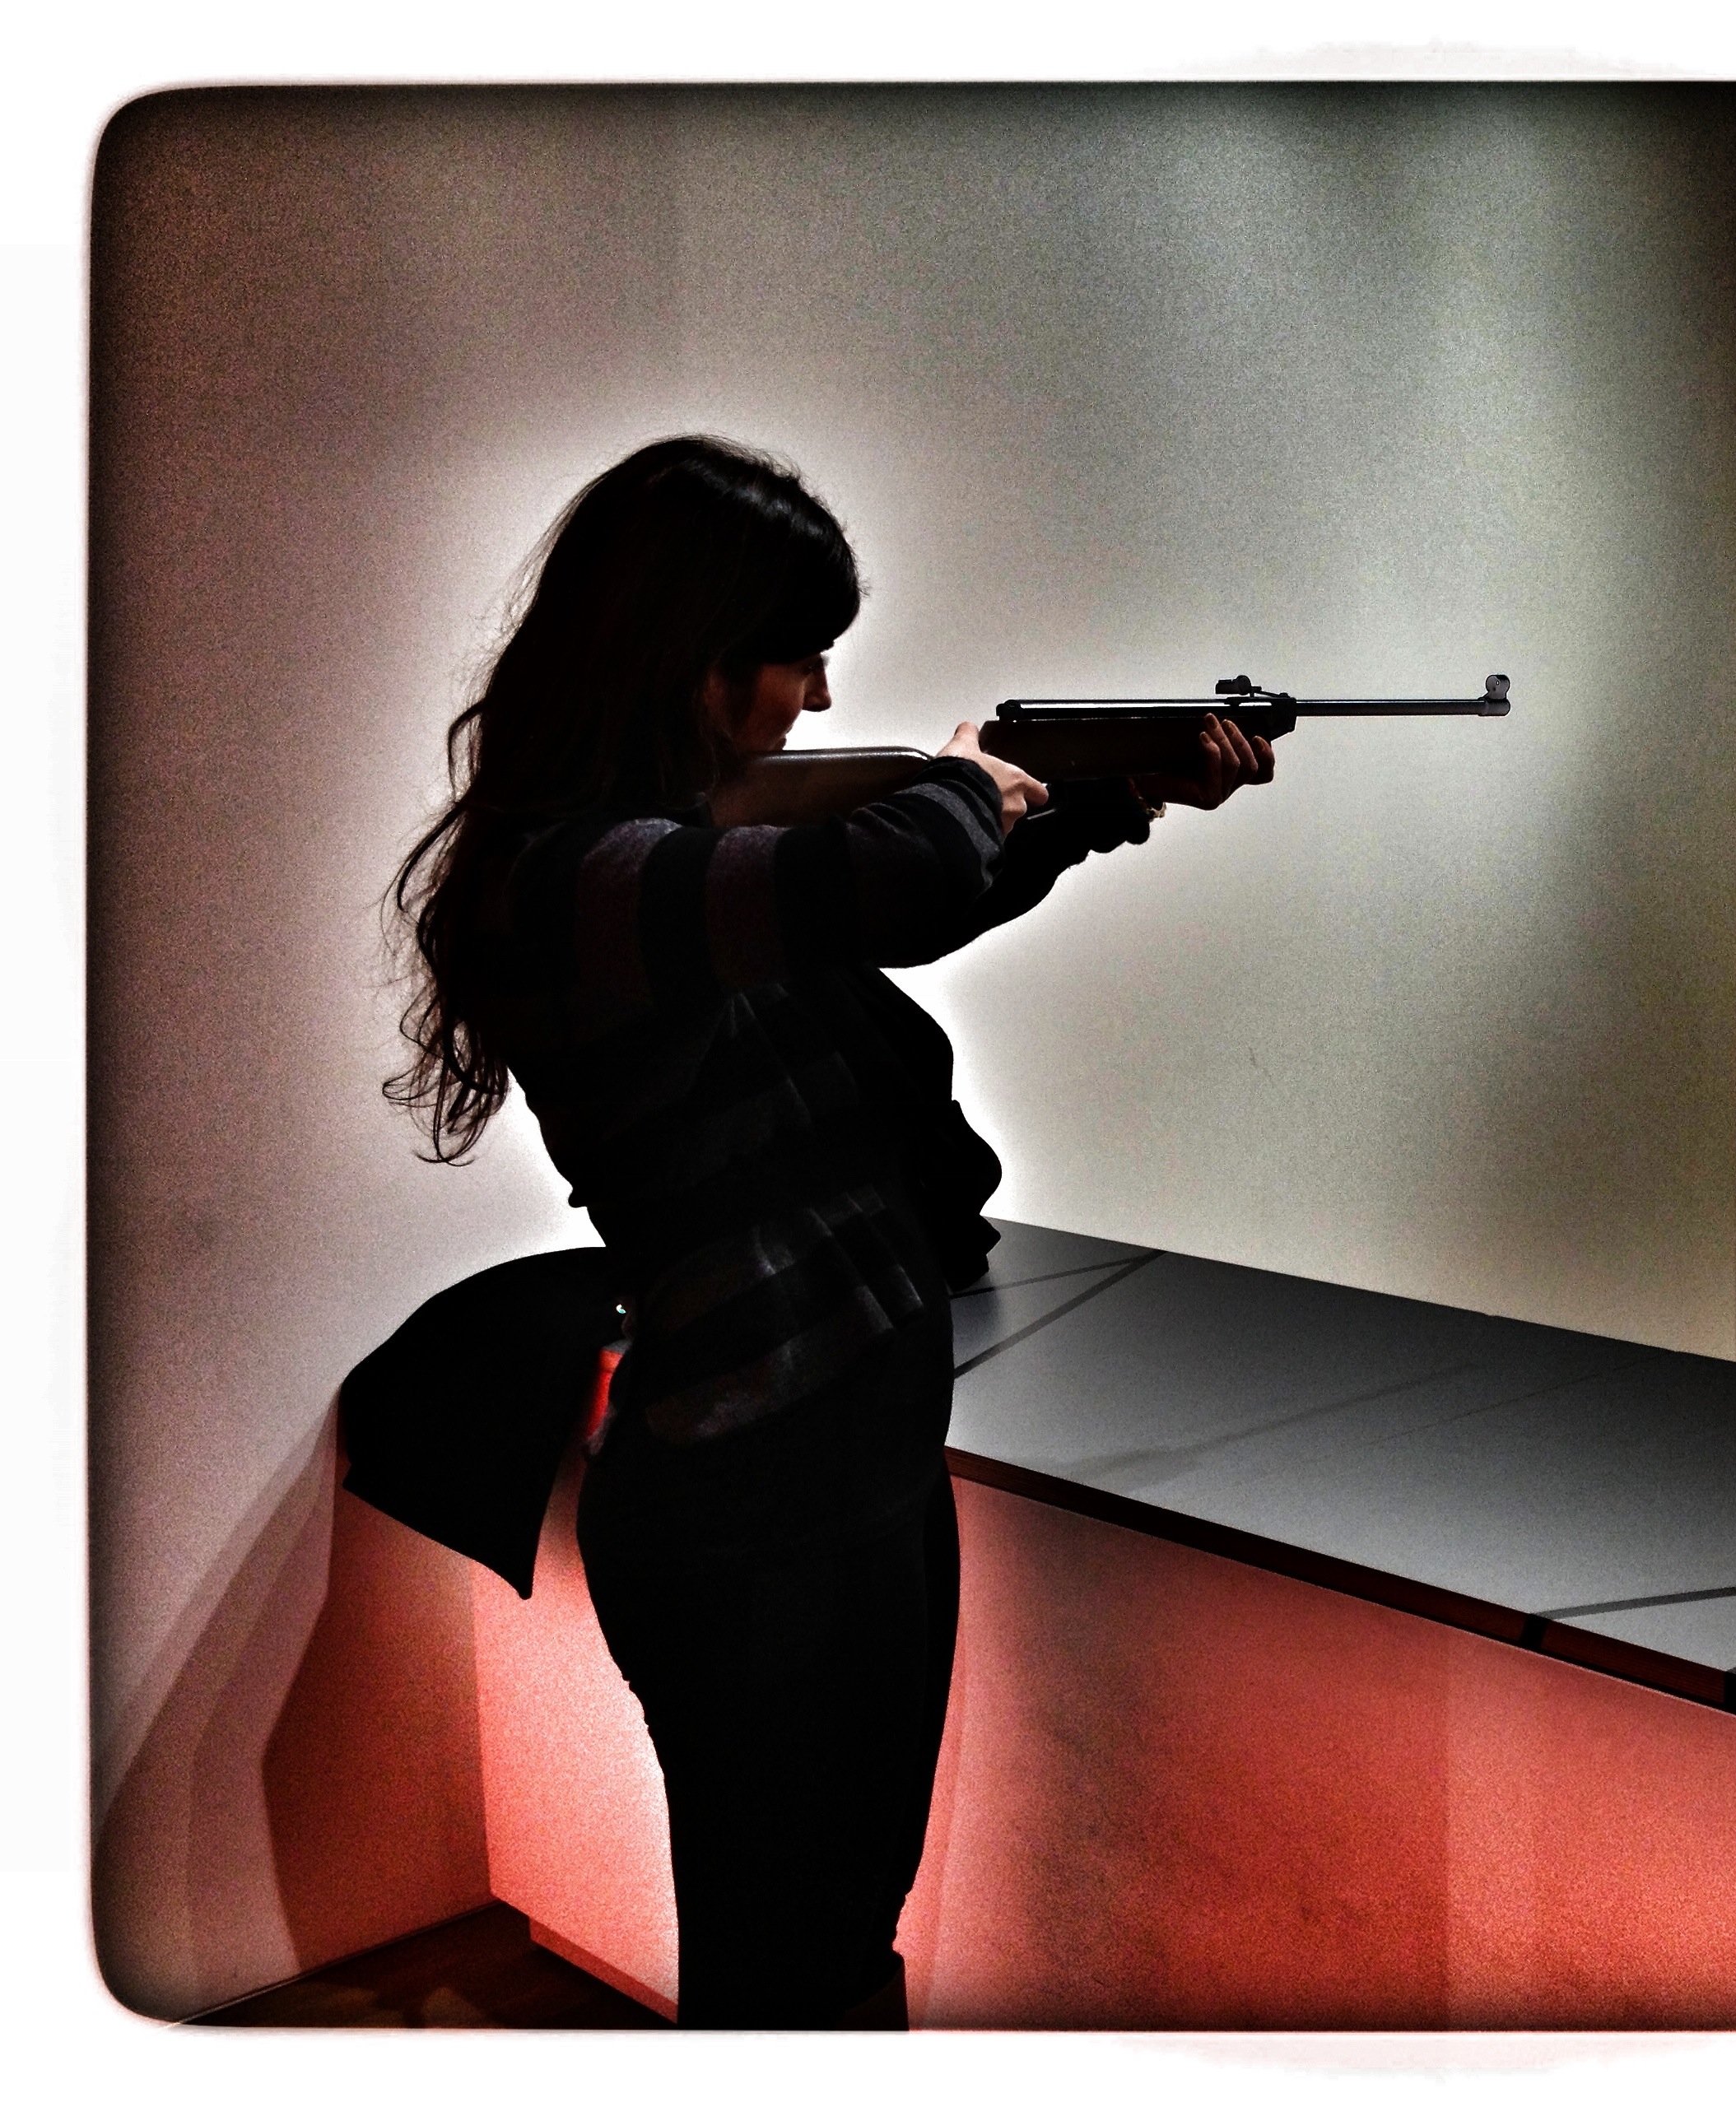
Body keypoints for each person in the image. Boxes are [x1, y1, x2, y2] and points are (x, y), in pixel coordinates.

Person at [384, 435, 1271, 2029]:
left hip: (850, 1477)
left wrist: (1111, 791)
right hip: (748, 1514)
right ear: (694, 659)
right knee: (782, 1966)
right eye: (796, 657)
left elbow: (909, 894)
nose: (815, 695)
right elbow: (889, 879)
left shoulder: (676, 871)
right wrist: (968, 774)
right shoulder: (563, 883)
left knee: (839, 1933)